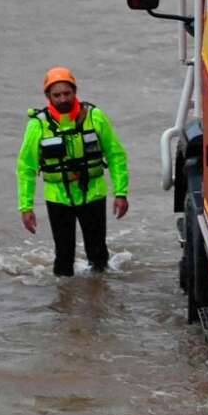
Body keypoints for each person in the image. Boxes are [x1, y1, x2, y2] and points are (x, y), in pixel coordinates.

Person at [16, 67, 129, 276]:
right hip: (58, 198)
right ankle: (64, 302)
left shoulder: (95, 117)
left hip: (93, 192)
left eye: (67, 93)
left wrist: (120, 193)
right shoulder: (37, 125)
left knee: (98, 254)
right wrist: (26, 207)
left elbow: (116, 155)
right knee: (63, 256)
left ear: (75, 92)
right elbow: (26, 168)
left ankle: (100, 296)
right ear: (48, 96)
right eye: (56, 95)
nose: (62, 99)